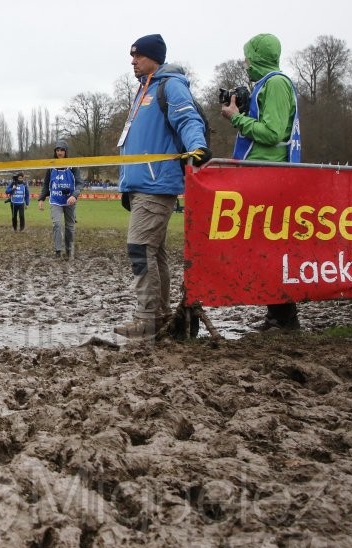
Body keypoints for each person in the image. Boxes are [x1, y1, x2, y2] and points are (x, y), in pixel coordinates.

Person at [115, 34, 210, 339]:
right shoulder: (144, 90)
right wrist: (126, 184)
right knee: (153, 253)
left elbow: (187, 119)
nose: (132, 61)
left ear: (153, 57)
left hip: (158, 184)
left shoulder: (170, 85)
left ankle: (147, 317)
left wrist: (197, 147)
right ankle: (160, 314)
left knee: (140, 249)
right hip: (141, 184)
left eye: (137, 56)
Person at [221, 33, 302, 332]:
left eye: (247, 56)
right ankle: (277, 314)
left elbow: (272, 133)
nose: (245, 62)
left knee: (271, 247)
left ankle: (286, 318)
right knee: (263, 247)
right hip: (262, 173)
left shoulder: (276, 83)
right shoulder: (266, 85)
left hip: (271, 176)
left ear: (257, 55)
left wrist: (236, 118)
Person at [38, 140, 81, 259]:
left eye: (62, 150)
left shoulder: (73, 166)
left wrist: (74, 195)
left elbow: (79, 183)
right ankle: (58, 251)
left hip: (69, 200)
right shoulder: (51, 167)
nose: (60, 152)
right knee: (57, 224)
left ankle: (69, 250)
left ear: (66, 151)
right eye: (57, 150)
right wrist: (41, 199)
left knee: (69, 227)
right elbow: (46, 184)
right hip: (55, 200)